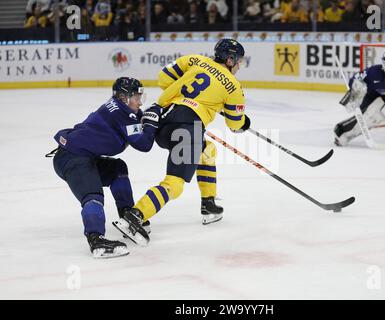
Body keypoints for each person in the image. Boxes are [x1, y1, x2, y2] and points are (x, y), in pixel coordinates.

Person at [113, 39, 251, 245]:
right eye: (238, 61)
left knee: (207, 151)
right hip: (188, 128)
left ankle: (209, 204)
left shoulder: (195, 60)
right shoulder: (233, 87)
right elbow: (235, 123)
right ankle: (136, 214)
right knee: (175, 184)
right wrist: (243, 122)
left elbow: (163, 79)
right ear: (230, 60)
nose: (239, 65)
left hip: (162, 119)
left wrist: (184, 96)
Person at [48, 77, 160, 258]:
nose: (140, 102)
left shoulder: (119, 107)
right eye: (137, 97)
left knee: (117, 169)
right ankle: (96, 239)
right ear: (124, 97)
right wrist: (152, 123)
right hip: (73, 158)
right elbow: (144, 144)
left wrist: (149, 116)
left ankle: (127, 215)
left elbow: (136, 118)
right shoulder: (122, 114)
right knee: (93, 195)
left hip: (78, 155)